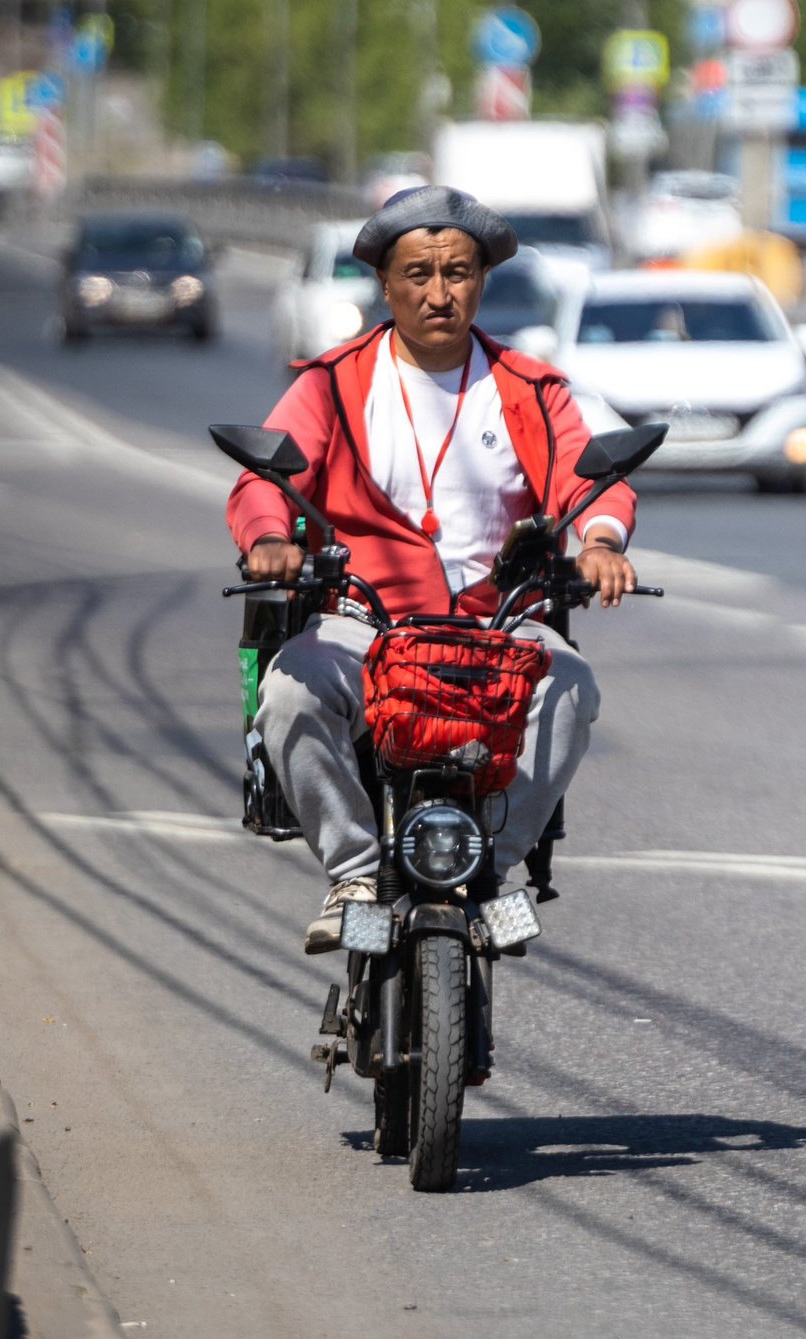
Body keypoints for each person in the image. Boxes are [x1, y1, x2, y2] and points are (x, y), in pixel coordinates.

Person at [226, 186, 638, 953]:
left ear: (483, 280)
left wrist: (603, 541)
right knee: (286, 693)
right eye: (418, 274)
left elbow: (591, 482)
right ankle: (352, 869)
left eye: (458, 272)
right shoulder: (331, 381)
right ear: (385, 282)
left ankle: (493, 869)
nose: (439, 292)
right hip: (364, 627)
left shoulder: (530, 388)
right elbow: (265, 479)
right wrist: (268, 537)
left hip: (497, 630)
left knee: (573, 684)